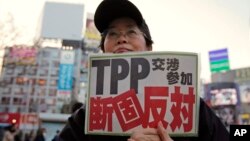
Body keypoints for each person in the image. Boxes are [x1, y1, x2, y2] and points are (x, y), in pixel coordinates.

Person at [59, 0, 229, 141]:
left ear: (149, 47)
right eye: (112, 34)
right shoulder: (87, 117)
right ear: (103, 50)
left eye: (131, 31)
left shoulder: (188, 106)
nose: (122, 39)